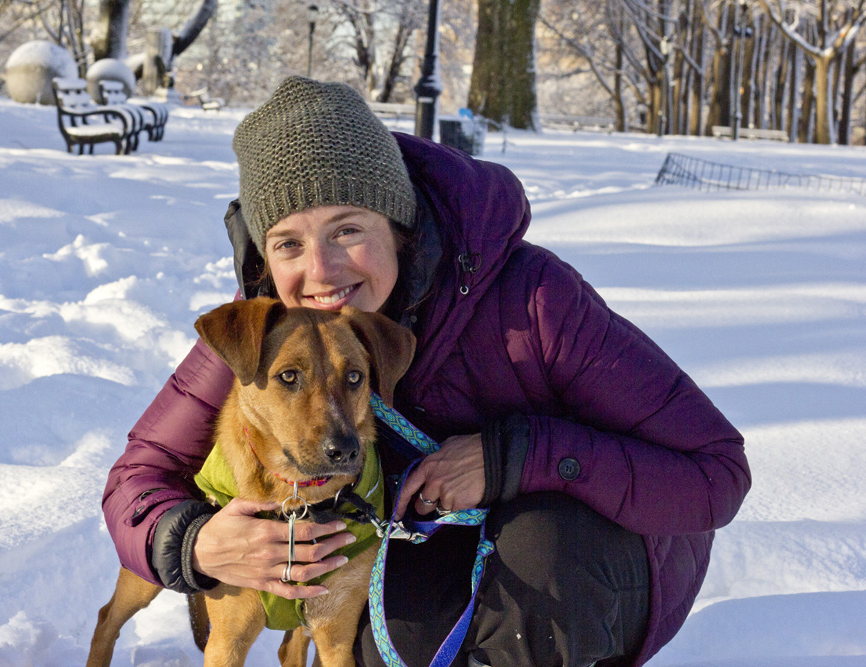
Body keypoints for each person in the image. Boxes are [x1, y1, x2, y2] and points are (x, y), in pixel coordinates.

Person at [103, 76, 751, 667]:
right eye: (289, 244)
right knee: (372, 638)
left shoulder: (533, 302)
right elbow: (138, 475)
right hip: (424, 536)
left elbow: (717, 471)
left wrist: (516, 456)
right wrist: (192, 545)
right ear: (265, 258)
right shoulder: (273, 331)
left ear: (399, 224)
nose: (321, 271)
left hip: (589, 554)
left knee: (541, 558)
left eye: (347, 229)